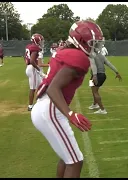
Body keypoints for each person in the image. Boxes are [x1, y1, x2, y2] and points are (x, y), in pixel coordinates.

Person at [31, 20, 104, 178]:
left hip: (45, 107)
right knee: (75, 161)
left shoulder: (64, 51)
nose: (95, 46)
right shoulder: (79, 57)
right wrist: (70, 114)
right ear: (80, 40)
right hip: (51, 108)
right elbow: (53, 88)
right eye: (93, 43)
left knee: (67, 158)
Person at [24, 33, 47, 111]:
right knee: (33, 88)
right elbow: (32, 61)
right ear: (37, 41)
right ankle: (30, 106)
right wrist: (38, 69)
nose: (42, 42)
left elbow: (26, 59)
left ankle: (40, 102)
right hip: (33, 68)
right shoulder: (35, 48)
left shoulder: (29, 46)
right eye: (41, 41)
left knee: (41, 85)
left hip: (30, 67)